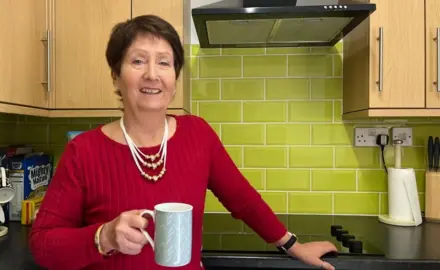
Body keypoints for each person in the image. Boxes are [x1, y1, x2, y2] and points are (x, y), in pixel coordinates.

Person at [28, 14, 337, 270]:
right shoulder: (84, 151)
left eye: (164, 63)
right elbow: (42, 245)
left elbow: (242, 199)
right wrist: (103, 237)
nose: (152, 74)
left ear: (174, 79)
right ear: (115, 76)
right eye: (138, 61)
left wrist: (292, 244)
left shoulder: (197, 135)